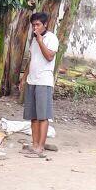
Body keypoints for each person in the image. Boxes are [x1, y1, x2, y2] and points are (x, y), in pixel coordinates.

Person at [20, 12, 58, 158]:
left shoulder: (51, 38)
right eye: (33, 25)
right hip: (32, 80)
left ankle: (41, 146)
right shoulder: (33, 40)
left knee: (43, 116)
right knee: (33, 116)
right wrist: (24, 78)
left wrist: (41, 41)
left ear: (45, 24)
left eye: (38, 25)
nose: (35, 28)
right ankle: (34, 144)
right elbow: (31, 60)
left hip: (44, 81)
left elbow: (49, 57)